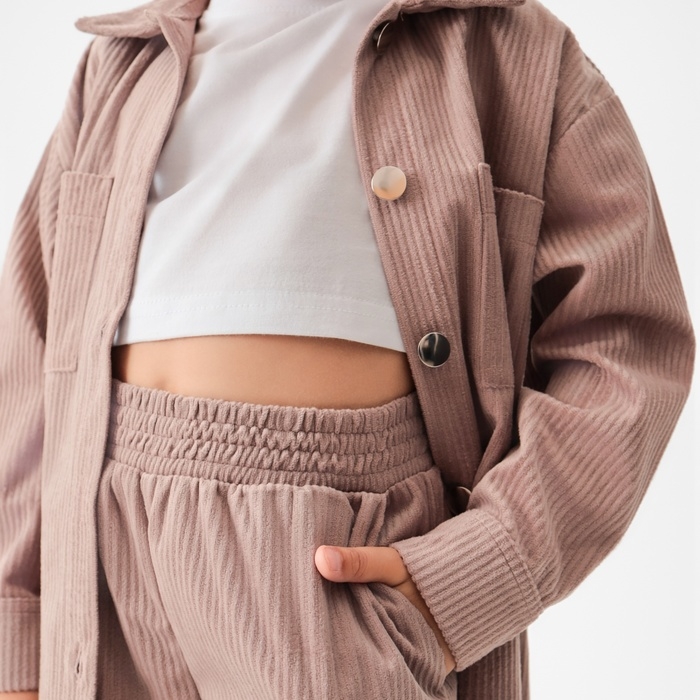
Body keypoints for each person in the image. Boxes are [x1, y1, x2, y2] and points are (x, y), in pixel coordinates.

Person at [0, 0, 694, 698]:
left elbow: (625, 345)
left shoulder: (515, 53)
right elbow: (31, 354)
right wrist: (18, 643)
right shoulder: (124, 61)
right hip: (98, 571)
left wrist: (470, 578)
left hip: (328, 564)